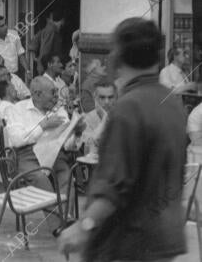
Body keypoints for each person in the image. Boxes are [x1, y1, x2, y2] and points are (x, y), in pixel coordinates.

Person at [59, 17, 188, 261]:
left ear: (117, 56)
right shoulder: (171, 102)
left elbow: (114, 187)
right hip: (165, 239)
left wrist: (82, 227)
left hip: (127, 243)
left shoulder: (128, 107)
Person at [5, 76, 71, 236]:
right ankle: (59, 225)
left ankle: (65, 220)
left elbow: (68, 145)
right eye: (53, 92)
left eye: (56, 92)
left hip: (54, 153)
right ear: (36, 94)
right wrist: (43, 126)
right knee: (39, 177)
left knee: (67, 176)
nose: (57, 96)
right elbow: (17, 140)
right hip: (26, 155)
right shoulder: (17, 110)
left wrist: (76, 133)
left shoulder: (59, 110)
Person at [76, 80, 116, 157]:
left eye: (110, 97)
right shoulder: (85, 119)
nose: (107, 102)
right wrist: (104, 119)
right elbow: (89, 150)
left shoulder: (123, 118)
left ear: (116, 98)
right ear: (95, 98)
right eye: (102, 97)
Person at [30, 9, 65, 75]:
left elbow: (34, 42)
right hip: (48, 67)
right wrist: (40, 63)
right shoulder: (51, 30)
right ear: (62, 20)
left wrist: (35, 56)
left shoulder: (49, 29)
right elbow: (45, 49)